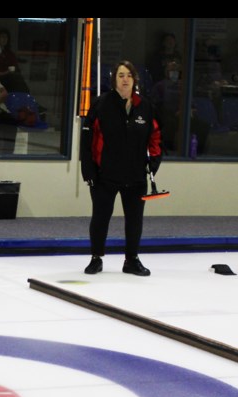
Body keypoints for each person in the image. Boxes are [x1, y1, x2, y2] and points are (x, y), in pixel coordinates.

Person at [80, 60, 162, 277]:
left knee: (135, 220)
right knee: (100, 217)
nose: (125, 79)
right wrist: (88, 170)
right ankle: (96, 258)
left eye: (128, 75)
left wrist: (155, 161)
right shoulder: (100, 104)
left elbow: (154, 138)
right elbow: (87, 140)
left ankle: (132, 260)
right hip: (104, 175)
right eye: (121, 75)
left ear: (134, 79)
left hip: (135, 176)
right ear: (114, 79)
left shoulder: (145, 106)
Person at [0, 28, 29, 93]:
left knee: (18, 78)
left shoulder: (9, 53)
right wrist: (5, 73)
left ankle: (26, 96)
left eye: (6, 37)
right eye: (2, 37)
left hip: (10, 80)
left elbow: (16, 68)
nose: (5, 39)